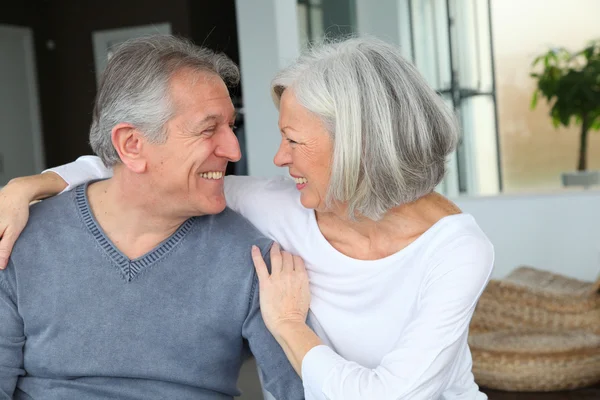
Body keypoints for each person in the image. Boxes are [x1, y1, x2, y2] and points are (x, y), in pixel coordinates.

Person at [0, 36, 495, 399]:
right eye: (211, 128)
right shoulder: (286, 207)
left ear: (357, 148)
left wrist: (288, 324)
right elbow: (139, 176)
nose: (271, 157)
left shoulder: (456, 250)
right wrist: (32, 185)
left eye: (294, 141)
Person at [0, 35, 305, 399]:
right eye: (208, 130)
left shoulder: (254, 260)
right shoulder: (19, 239)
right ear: (132, 145)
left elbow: (296, 392)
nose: (233, 149)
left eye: (231, 127)